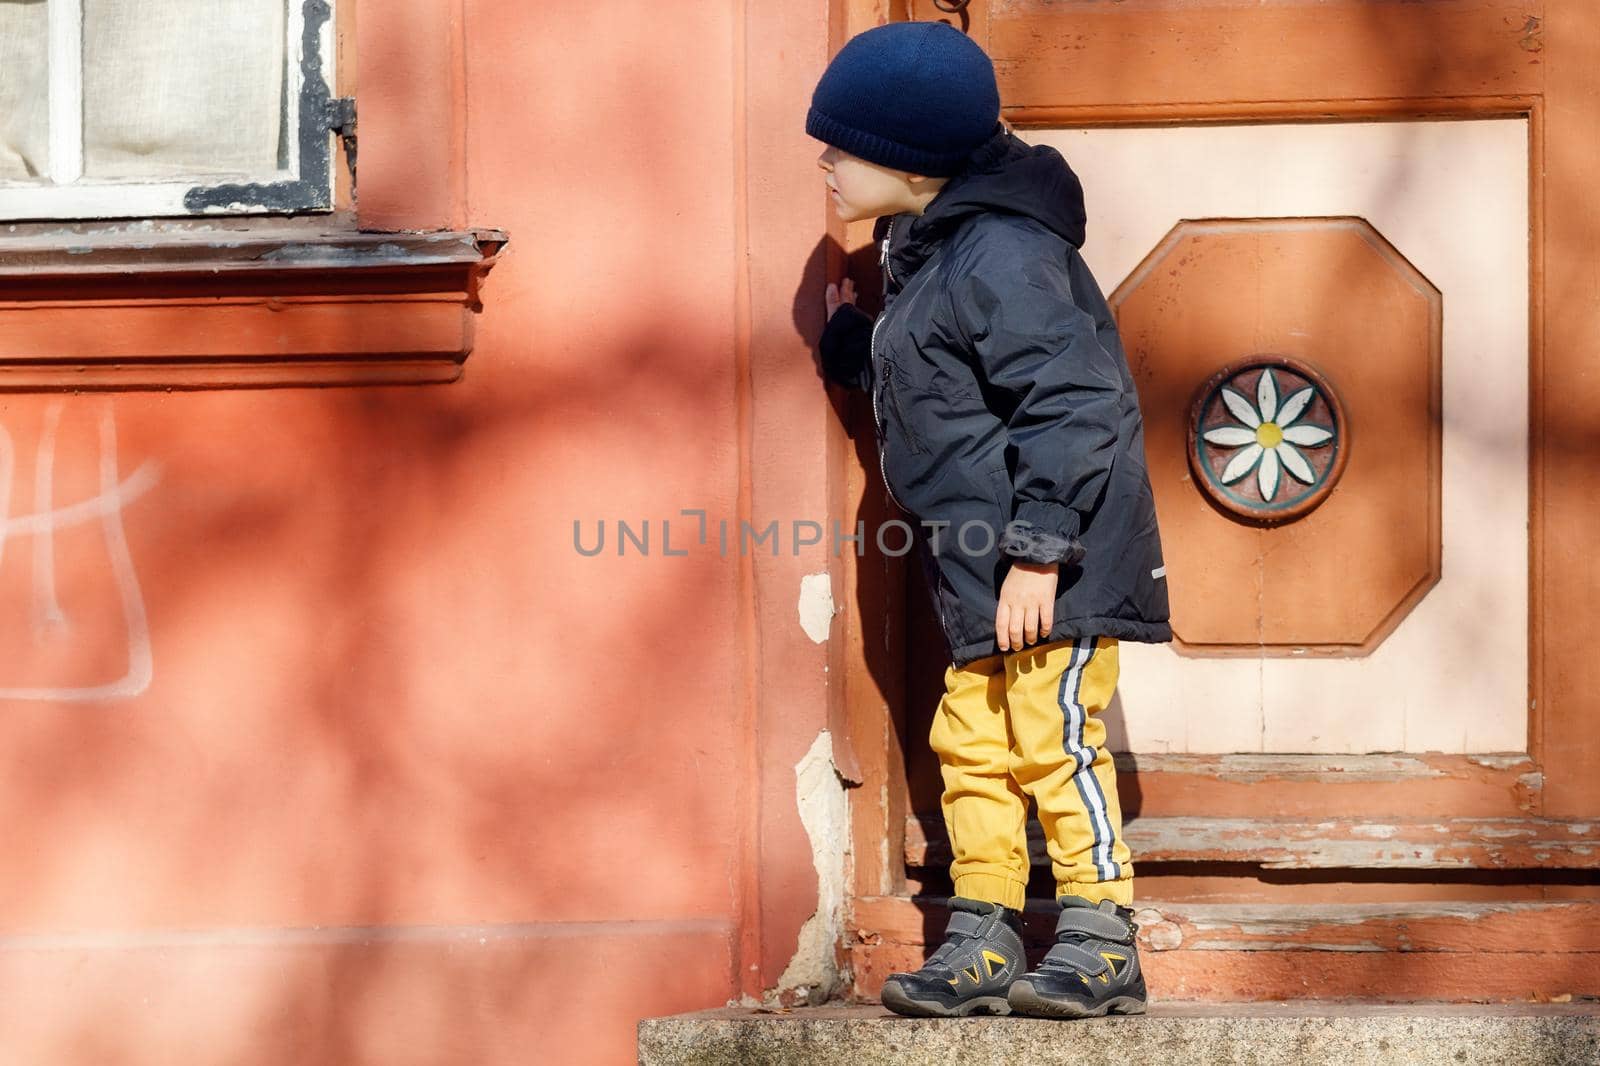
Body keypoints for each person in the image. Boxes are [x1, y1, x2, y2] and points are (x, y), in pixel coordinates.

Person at [807, 21, 1172, 1019]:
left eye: (842, 144)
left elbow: (1074, 399)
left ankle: (1102, 936)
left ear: (914, 159)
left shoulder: (1001, 252)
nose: (826, 162)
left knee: (1053, 739)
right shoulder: (929, 251)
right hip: (980, 569)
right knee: (971, 744)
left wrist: (1040, 550)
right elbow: (942, 370)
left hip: (1052, 559)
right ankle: (983, 933)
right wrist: (857, 344)